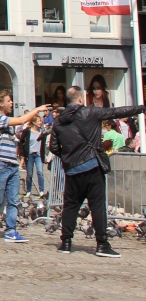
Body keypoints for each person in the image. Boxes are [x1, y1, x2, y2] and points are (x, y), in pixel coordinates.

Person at [53, 85, 146, 256]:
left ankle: (66, 242)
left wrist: (68, 158)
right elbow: (117, 112)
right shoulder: (90, 112)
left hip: (72, 170)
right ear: (80, 99)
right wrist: (141, 108)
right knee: (97, 206)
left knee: (71, 206)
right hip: (91, 166)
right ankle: (102, 244)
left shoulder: (58, 121)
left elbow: (53, 147)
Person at [0, 91, 48, 243]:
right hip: (0, 164)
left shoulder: (7, 121)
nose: (12, 103)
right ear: (1, 104)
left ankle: (11, 231)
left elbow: (21, 124)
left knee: (13, 201)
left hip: (13, 165)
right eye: (9, 101)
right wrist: (37, 109)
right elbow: (21, 120)